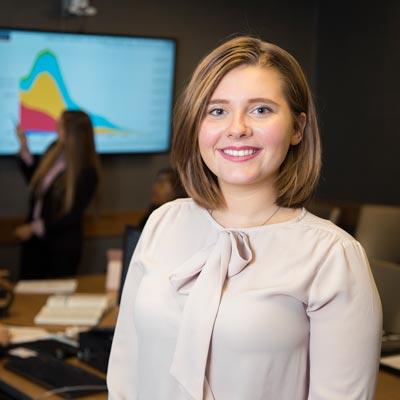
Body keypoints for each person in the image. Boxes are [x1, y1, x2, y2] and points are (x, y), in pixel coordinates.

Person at [107, 36, 382, 399]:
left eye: (261, 110)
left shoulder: (333, 256)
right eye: (217, 111)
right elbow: (126, 375)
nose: (236, 128)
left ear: (298, 128)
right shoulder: (163, 223)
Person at [15, 110, 101, 279]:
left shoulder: (87, 172)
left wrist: (34, 228)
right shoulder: (54, 148)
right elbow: (36, 179)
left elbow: (71, 216)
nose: (56, 128)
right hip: (35, 246)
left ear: (74, 132)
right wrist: (24, 146)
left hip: (61, 249)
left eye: (61, 126)